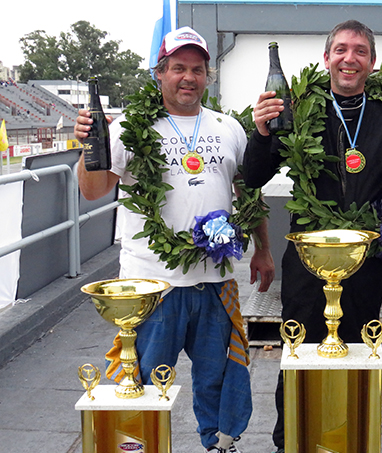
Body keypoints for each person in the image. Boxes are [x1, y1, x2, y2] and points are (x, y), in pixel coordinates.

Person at [74, 26, 275, 453]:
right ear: (159, 73)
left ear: (208, 76)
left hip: (215, 284)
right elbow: (92, 191)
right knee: (142, 380)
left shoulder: (229, 128)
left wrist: (263, 249)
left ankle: (221, 444)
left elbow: (248, 192)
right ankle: (138, 447)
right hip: (152, 288)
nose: (189, 77)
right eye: (178, 68)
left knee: (219, 378)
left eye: (198, 69)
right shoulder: (130, 127)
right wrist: (85, 146)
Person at [242, 20, 382, 453]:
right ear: (326, 59)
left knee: (362, 353)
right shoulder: (298, 106)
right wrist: (263, 131)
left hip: (367, 261)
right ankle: (292, 442)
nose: (349, 58)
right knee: (299, 354)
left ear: (372, 62)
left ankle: (354, 439)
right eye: (340, 49)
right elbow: (253, 175)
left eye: (360, 51)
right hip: (308, 261)